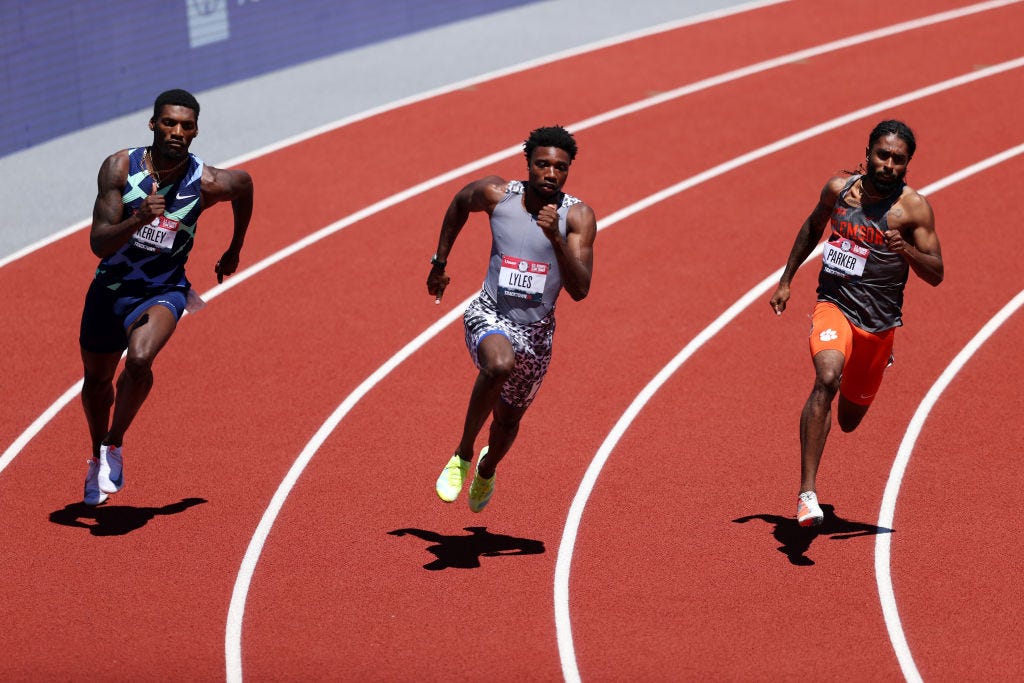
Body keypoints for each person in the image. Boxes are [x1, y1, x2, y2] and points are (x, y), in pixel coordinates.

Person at [79, 89, 254, 505]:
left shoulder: (208, 182)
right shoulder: (120, 168)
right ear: (153, 124)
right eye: (169, 123)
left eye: (186, 126)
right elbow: (98, 244)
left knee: (139, 360)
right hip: (110, 290)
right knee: (97, 385)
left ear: (195, 131)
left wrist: (234, 249)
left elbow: (245, 186)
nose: (177, 132)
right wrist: (139, 217)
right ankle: (96, 456)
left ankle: (115, 444)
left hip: (164, 289)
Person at [769, 119, 943, 527]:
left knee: (849, 420)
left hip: (879, 323)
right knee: (826, 377)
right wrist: (786, 280)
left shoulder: (913, 208)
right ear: (867, 154)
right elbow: (813, 227)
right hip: (834, 303)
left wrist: (908, 252)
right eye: (882, 155)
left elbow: (936, 273)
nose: (888, 164)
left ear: (907, 166)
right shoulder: (838, 190)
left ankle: (877, 358)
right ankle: (807, 495)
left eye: (898, 160)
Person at [426, 125, 597, 512]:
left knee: (506, 424)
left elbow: (581, 289)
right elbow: (458, 203)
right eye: (542, 165)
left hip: (536, 333)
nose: (551, 174)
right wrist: (439, 262)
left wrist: (555, 237)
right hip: (490, 312)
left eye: (560, 167)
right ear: (529, 165)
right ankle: (464, 453)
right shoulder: (497, 194)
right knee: (498, 364)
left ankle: (487, 468)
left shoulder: (578, 216)